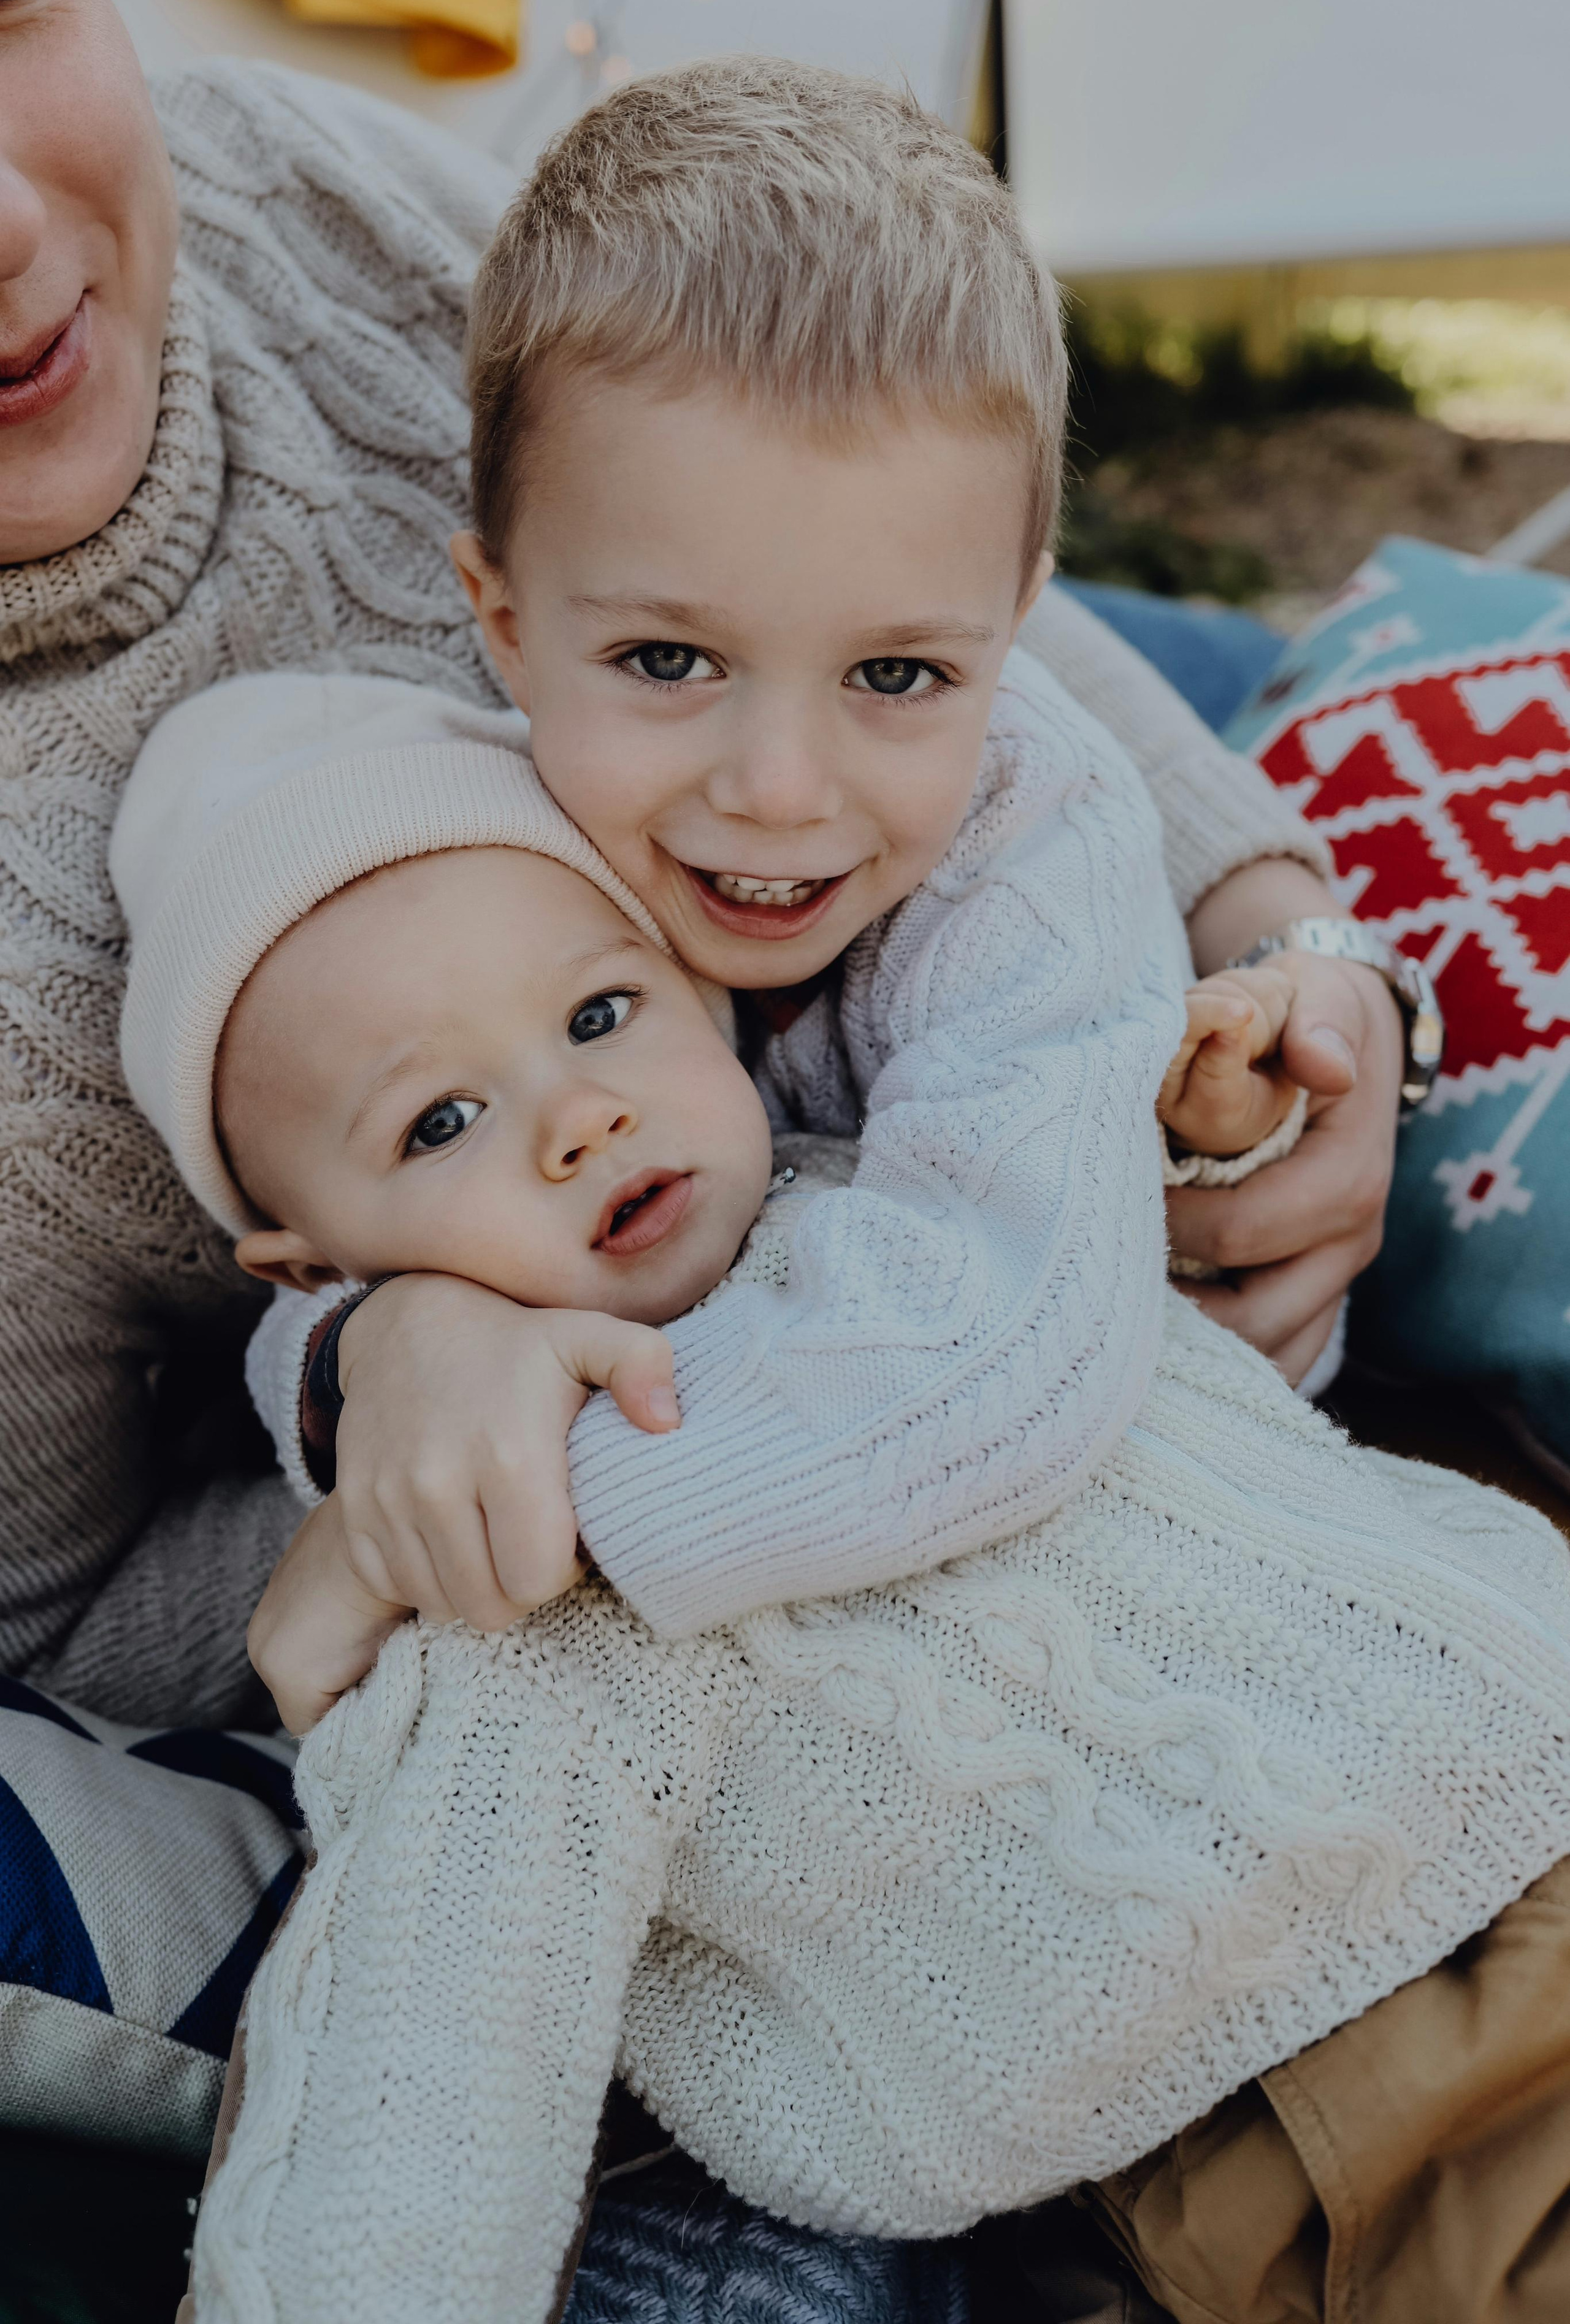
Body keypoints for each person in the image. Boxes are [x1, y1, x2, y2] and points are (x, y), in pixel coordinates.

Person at [0, 0, 1392, 2184]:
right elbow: (75, 1620)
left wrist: (1288, 927)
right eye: (649, 659)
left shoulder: (296, 177)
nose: (2, 210)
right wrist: (389, 1380)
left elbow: (894, 522)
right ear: (495, 614)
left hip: (1042, 1271)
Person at [110, 668, 1570, 2324]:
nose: (579, 1116)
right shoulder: (525, 1589)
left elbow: (1228, 1397)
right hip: (1312, 2082)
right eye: (443, 1120)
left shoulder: (915, 1192)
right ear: (320, 1274)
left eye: (600, 1017)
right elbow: (429, 2057)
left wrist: (1207, 1139)